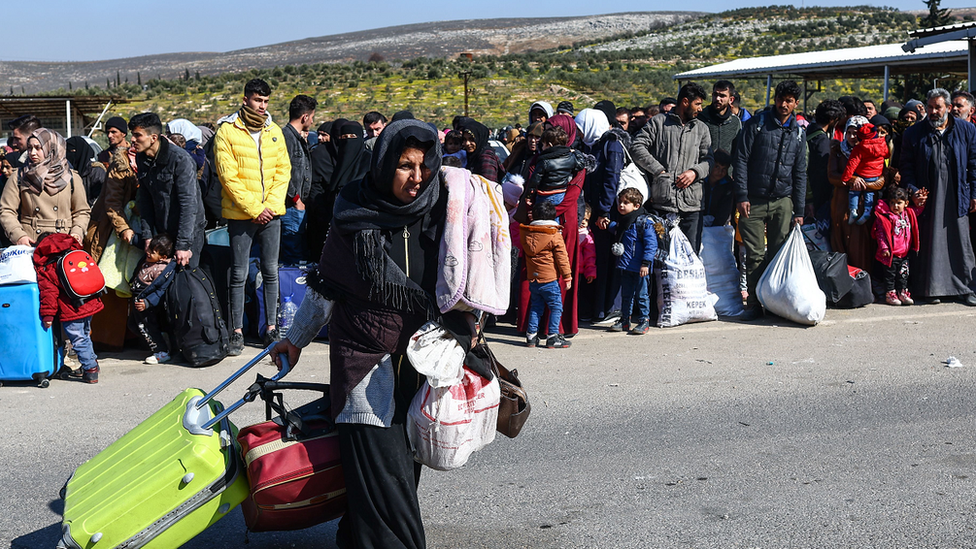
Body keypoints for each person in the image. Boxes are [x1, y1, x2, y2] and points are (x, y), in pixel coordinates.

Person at [270, 119, 492, 549]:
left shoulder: (442, 212)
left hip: (423, 365)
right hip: (365, 365)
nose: (417, 176)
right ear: (385, 164)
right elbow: (324, 290)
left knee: (400, 471)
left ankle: (355, 537)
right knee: (386, 473)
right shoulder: (353, 214)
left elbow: (469, 276)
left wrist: (473, 326)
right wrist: (295, 340)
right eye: (405, 166)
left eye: (424, 165)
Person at [214, 78, 291, 352]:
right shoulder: (227, 132)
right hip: (240, 214)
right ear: (246, 99)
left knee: (271, 271)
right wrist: (255, 209)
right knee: (239, 273)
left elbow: (283, 171)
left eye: (266, 101)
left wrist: (269, 206)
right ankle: (236, 332)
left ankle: (270, 328)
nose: (262, 106)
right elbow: (228, 176)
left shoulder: (275, 131)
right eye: (258, 100)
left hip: (272, 214)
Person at [731, 80, 807, 321]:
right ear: (774, 99)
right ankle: (754, 304)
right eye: (780, 99)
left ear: (796, 103)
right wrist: (742, 196)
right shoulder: (756, 125)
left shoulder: (798, 132)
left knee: (778, 253)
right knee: (754, 254)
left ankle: (776, 303)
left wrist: (799, 208)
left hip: (783, 201)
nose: (784, 105)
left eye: (789, 101)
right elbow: (740, 160)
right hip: (753, 200)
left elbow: (800, 172)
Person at [900, 87, 976, 306]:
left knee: (960, 242)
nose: (933, 111)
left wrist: (974, 194)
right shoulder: (913, 133)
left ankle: (966, 288)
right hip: (928, 198)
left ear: (949, 108)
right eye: (930, 107)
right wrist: (913, 191)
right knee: (929, 242)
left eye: (938, 107)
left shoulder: (967, 130)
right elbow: (906, 167)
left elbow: (974, 164)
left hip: (958, 195)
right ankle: (931, 289)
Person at [631, 81, 713, 252]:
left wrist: (695, 172)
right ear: (685, 102)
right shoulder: (658, 123)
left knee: (691, 255)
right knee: (660, 256)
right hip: (662, 203)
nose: (700, 109)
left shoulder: (702, 129)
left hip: (692, 205)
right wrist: (658, 170)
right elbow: (637, 147)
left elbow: (709, 160)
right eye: (697, 104)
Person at [130, 112, 206, 268]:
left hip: (188, 232)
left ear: (153, 137)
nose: (132, 140)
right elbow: (145, 200)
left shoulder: (180, 159)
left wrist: (183, 245)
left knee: (185, 282)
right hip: (162, 233)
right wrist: (148, 236)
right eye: (132, 134)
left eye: (138, 135)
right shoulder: (142, 158)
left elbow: (189, 203)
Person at [33, 232, 104, 383]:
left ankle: (90, 369)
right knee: (84, 335)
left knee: (78, 338)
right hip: (89, 300)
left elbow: (49, 294)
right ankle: (92, 363)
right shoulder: (73, 251)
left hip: (72, 308)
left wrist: (48, 316)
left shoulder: (47, 265)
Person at [0, 128, 90, 247]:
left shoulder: (71, 177)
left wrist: (77, 232)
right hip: (31, 243)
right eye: (30, 148)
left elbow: (82, 211)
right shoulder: (20, 176)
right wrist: (19, 235)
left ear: (52, 148)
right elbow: (6, 210)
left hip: (64, 242)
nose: (32, 153)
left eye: (38, 148)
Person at [827, 115, 884, 270]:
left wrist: (864, 183)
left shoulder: (873, 152)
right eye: (849, 132)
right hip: (841, 204)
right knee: (841, 244)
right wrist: (851, 180)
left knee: (861, 247)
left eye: (856, 132)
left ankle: (861, 285)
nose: (852, 137)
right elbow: (832, 176)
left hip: (863, 207)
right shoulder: (838, 151)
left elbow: (881, 180)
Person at [520, 200, 572, 348]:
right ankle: (553, 336)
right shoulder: (554, 235)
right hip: (549, 279)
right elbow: (562, 258)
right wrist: (567, 276)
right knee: (556, 307)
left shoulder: (527, 233)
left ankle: (531, 336)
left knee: (536, 307)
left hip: (533, 279)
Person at [608, 187, 656, 335]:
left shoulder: (644, 222)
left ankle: (643, 321)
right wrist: (607, 223)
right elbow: (615, 228)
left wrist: (646, 264)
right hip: (626, 266)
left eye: (626, 203)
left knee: (641, 295)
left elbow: (651, 244)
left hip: (641, 268)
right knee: (626, 295)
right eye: (620, 202)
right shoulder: (623, 221)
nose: (621, 205)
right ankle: (625, 320)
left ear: (637, 206)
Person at [83, 145, 139, 262]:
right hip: (112, 227)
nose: (134, 139)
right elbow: (112, 201)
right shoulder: (121, 164)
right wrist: (123, 228)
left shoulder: (158, 163)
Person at [872, 186, 924, 306]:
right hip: (890, 254)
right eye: (893, 203)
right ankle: (890, 294)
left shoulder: (909, 213)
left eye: (899, 203)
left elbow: (918, 211)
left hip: (904, 253)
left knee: (903, 275)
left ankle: (903, 293)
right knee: (890, 276)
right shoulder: (886, 217)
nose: (896, 206)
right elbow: (880, 234)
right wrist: (884, 248)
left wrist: (921, 203)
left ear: (906, 203)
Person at [280, 94, 317, 265]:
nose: (312, 122)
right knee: (293, 256)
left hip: (296, 206)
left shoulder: (296, 138)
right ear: (305, 117)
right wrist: (296, 199)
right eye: (312, 117)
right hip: (290, 207)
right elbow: (282, 172)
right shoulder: (287, 138)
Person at [130, 233, 177, 364]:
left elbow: (160, 291)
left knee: (148, 328)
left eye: (153, 252)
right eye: (149, 249)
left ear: (163, 257)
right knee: (133, 325)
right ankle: (160, 340)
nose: (148, 253)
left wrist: (147, 302)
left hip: (146, 306)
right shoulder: (147, 261)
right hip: (136, 302)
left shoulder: (162, 270)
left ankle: (161, 352)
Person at [523, 126, 590, 208]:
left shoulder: (544, 161)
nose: (542, 147)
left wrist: (529, 195)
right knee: (554, 215)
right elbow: (581, 164)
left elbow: (535, 180)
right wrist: (576, 152)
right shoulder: (570, 157)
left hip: (544, 195)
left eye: (543, 144)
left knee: (542, 216)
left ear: (550, 145)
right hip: (560, 194)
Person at [841, 121, 888, 225]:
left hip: (862, 174)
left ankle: (853, 210)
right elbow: (887, 154)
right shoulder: (882, 144)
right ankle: (867, 211)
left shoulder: (859, 148)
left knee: (854, 191)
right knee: (869, 194)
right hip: (875, 175)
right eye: (849, 132)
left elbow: (852, 164)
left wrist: (846, 178)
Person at [806, 99, 846, 217]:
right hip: (816, 196)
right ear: (832, 120)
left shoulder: (808, 132)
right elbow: (822, 173)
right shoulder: (822, 142)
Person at [697, 80, 742, 160]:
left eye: (722, 96)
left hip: (726, 171)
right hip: (703, 169)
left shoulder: (735, 122)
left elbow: (737, 151)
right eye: (715, 94)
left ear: (731, 99)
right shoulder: (700, 118)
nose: (717, 99)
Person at [65, 136, 106, 206]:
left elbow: (99, 200)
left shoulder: (96, 172)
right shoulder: (66, 172)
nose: (69, 155)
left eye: (72, 151)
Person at [702, 149, 735, 227]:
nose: (720, 172)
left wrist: (716, 226)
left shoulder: (728, 185)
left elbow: (725, 210)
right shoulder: (701, 181)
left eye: (724, 169)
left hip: (718, 224)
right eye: (717, 167)